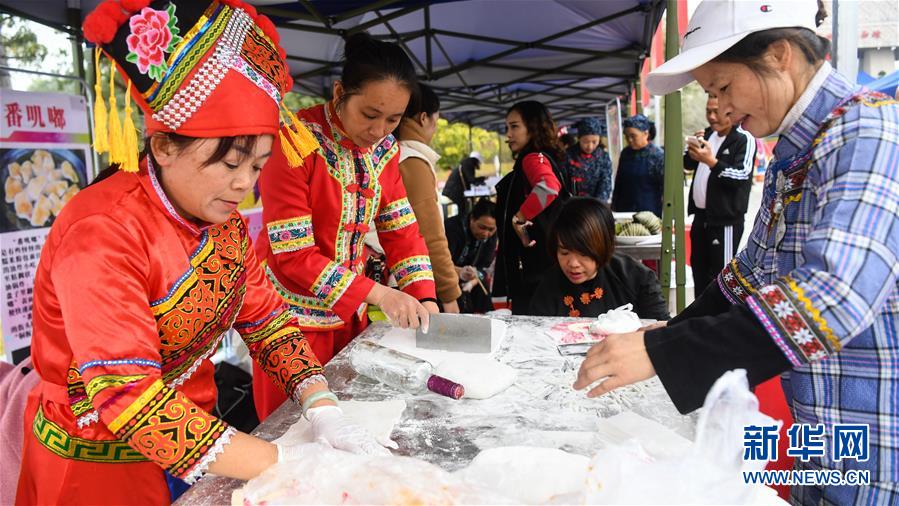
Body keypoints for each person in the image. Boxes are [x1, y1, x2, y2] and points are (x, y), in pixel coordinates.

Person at [16, 2, 388, 504]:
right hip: (98, 467)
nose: (245, 187)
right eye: (231, 163)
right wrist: (286, 461)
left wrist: (322, 405)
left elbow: (266, 321)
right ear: (165, 145)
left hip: (204, 446)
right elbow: (130, 399)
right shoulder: (103, 231)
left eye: (257, 166)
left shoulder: (224, 226)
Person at [575, 1, 899, 503]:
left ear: (780, 54)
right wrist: (668, 331)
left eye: (724, 87)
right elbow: (746, 276)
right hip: (826, 449)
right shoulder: (794, 152)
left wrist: (665, 354)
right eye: (710, 93)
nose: (721, 109)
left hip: (879, 453)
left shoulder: (868, 132)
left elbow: (835, 299)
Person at [253, 32, 438, 421]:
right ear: (339, 92)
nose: (379, 130)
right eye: (369, 115)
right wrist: (381, 296)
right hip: (288, 327)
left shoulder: (385, 151)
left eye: (393, 120)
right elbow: (293, 255)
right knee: (295, 434)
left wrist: (424, 297)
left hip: (350, 320)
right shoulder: (293, 143)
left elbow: (400, 229)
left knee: (355, 427)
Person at [530, 198, 669, 320]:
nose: (573, 264)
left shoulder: (637, 279)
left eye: (583, 253)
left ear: (604, 245)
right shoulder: (547, 286)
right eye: (564, 252)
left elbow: (663, 331)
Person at [494, 100, 570, 314]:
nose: (508, 134)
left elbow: (548, 187)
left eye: (514, 126)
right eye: (507, 128)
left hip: (536, 271)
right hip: (548, 264)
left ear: (533, 126)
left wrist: (519, 218)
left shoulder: (532, 159)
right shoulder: (550, 157)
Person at [391, 83, 461, 313]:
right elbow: (430, 236)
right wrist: (450, 295)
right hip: (405, 286)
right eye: (436, 122)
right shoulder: (412, 162)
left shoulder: (392, 154)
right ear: (423, 118)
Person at [685, 95, 756, 292]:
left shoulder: (743, 138)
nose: (712, 117)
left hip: (724, 221)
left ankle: (718, 321)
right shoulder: (707, 134)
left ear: (731, 111)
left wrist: (711, 161)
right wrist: (691, 148)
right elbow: (687, 164)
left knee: (720, 277)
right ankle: (698, 320)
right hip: (701, 217)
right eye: (708, 111)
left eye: (717, 111)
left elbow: (741, 176)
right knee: (698, 272)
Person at [445, 198, 499, 313]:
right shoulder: (451, 228)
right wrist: (460, 272)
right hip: (447, 278)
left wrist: (475, 277)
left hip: (472, 280)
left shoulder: (491, 235)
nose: (486, 233)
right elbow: (439, 264)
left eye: (491, 229)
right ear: (472, 219)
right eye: (482, 227)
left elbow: (485, 268)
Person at [611, 114, 665, 217]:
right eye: (627, 136)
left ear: (646, 134)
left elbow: (665, 189)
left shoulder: (658, 155)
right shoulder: (625, 153)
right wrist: (614, 207)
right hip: (624, 212)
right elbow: (619, 182)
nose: (629, 140)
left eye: (633, 136)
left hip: (649, 213)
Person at [563, 117, 613, 201]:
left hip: (595, 205)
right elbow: (563, 183)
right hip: (572, 204)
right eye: (585, 141)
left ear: (599, 139)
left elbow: (605, 184)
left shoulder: (603, 157)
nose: (590, 146)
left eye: (594, 142)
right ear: (579, 138)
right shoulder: (568, 155)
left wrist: (597, 205)